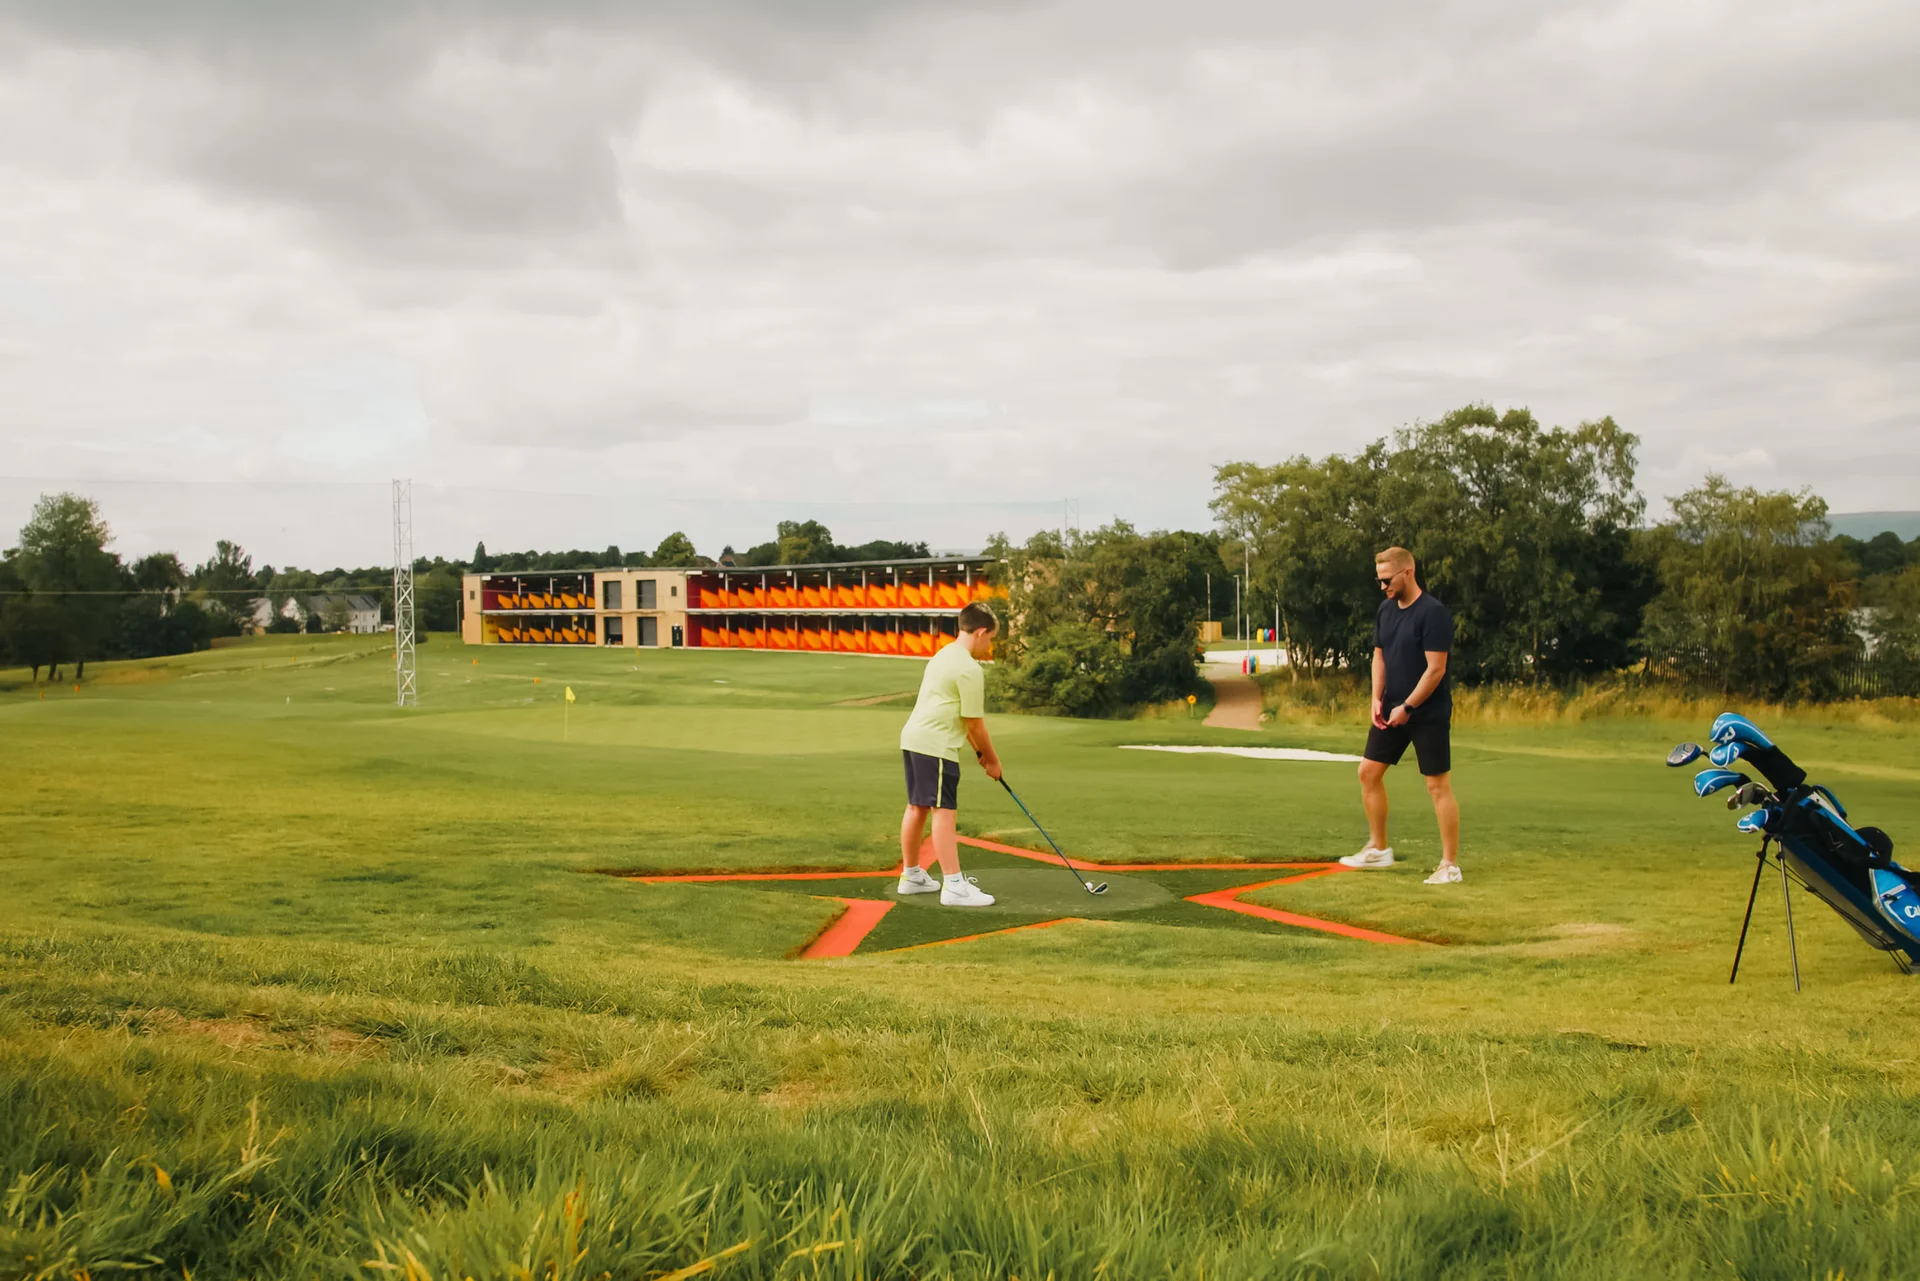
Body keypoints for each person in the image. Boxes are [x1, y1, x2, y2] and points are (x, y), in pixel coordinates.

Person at [1340, 546, 1462, 884]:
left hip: (1426, 712)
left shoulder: (1433, 613)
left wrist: (1408, 707)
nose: (1382, 587)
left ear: (1408, 572)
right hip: (1390, 709)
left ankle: (1449, 865)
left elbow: (1436, 669)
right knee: (1368, 773)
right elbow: (1379, 656)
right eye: (1378, 581)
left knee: (1437, 785)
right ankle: (1379, 850)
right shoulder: (1386, 610)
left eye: (1387, 580)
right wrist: (1376, 699)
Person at [897, 601, 1003, 906]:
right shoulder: (970, 669)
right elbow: (975, 724)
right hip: (937, 745)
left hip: (914, 738)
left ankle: (912, 875)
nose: (990, 644)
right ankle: (954, 886)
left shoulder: (944, 654)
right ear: (981, 632)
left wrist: (978, 753)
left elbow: (962, 720)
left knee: (917, 806)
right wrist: (993, 761)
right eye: (991, 638)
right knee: (943, 811)